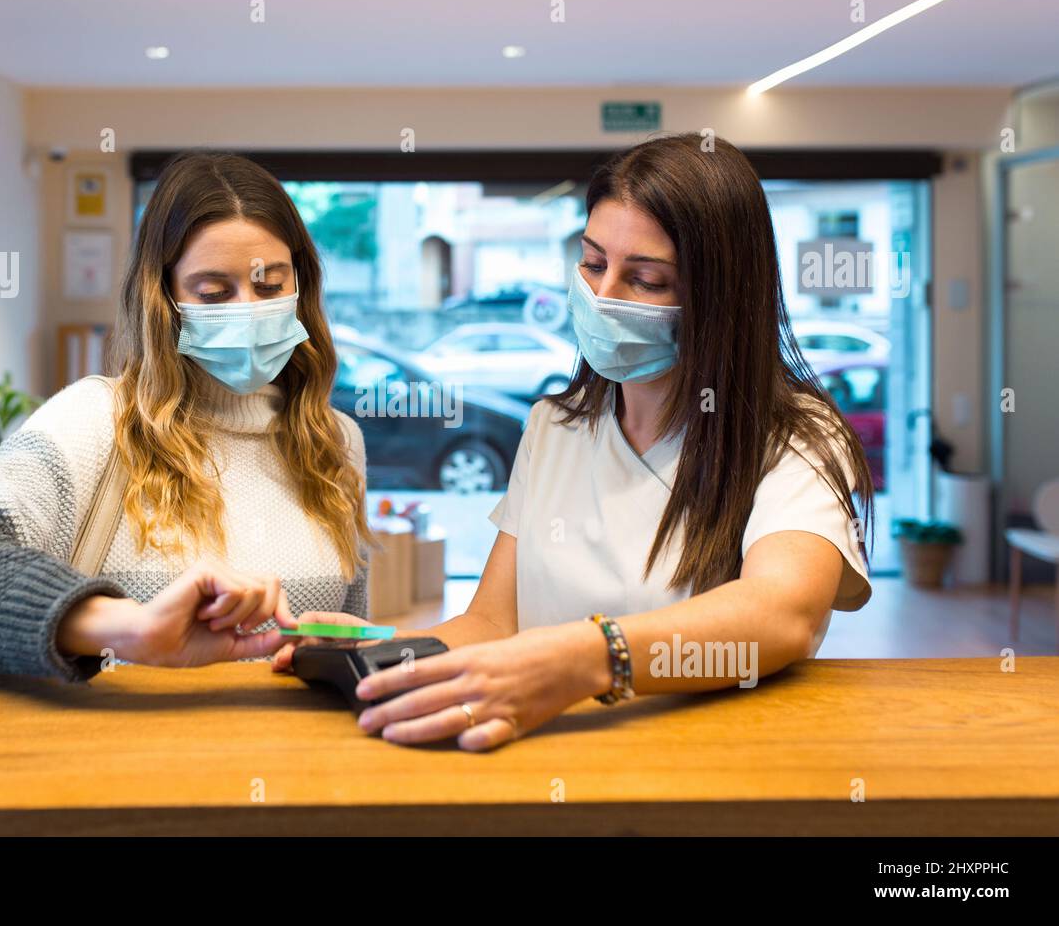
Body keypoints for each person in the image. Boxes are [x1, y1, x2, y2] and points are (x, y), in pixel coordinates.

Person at [274, 133, 873, 751]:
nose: (603, 296)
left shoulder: (796, 438)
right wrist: (383, 654)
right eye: (592, 264)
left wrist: (587, 657)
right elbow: (491, 625)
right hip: (552, 761)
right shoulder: (553, 428)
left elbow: (782, 614)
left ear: (723, 299)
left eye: (646, 280)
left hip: (710, 772)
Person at [0, 152, 371, 681]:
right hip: (120, 759)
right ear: (162, 298)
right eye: (213, 293)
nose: (248, 310)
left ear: (300, 286)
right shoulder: (97, 419)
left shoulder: (336, 441)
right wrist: (129, 627)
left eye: (270, 286)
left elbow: (346, 636)